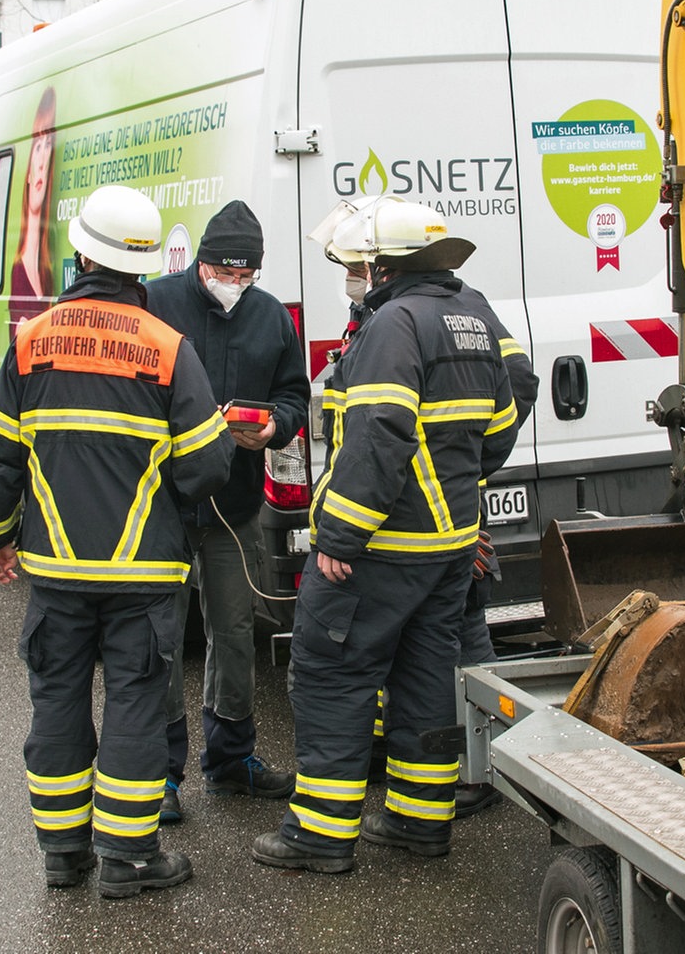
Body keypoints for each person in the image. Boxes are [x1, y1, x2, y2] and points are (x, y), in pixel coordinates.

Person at [251, 195, 533, 874]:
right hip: (448, 546)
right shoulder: (466, 316)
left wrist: (341, 537)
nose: (353, 274)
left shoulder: (393, 325)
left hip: (383, 547)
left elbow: (377, 435)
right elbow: (500, 421)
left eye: (357, 263)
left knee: (330, 675)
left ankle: (320, 834)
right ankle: (417, 821)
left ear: (381, 265)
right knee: (426, 676)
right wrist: (455, 478)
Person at [0, 183, 234, 899]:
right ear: (144, 265)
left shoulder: (32, 343)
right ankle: (129, 859)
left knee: (55, 702)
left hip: (54, 570)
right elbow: (209, 463)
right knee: (136, 706)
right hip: (143, 574)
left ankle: (64, 855)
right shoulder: (167, 349)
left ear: (82, 251)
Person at [142, 200, 309, 811]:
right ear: (203, 264)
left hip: (232, 505)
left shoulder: (270, 318)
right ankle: (160, 774)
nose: (235, 286)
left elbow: (294, 393)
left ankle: (231, 757)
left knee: (234, 632)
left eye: (247, 277)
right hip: (163, 502)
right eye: (225, 273)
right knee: (157, 638)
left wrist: (273, 428)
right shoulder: (157, 305)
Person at [7, 87, 60, 330]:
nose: (42, 162)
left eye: (48, 146)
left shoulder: (47, 271)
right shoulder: (19, 273)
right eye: (37, 147)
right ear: (27, 172)